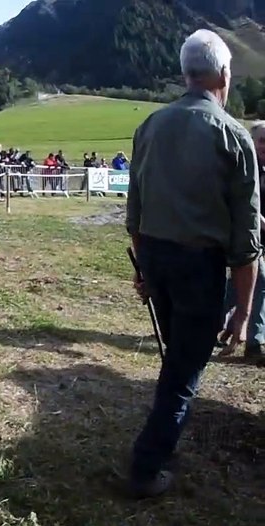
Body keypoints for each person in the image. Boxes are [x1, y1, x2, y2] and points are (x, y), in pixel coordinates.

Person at [125, 28, 262, 499]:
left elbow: (134, 214)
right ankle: (146, 465)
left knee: (176, 358)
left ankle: (165, 436)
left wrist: (143, 270)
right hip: (199, 267)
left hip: (157, 258)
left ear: (186, 75)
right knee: (185, 371)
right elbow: (247, 242)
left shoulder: (150, 125)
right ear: (225, 74)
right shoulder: (235, 136)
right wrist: (243, 313)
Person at [219, 120, 265, 362]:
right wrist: (258, 217)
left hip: (258, 239)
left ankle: (212, 323)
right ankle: (254, 344)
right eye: (261, 140)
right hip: (239, 235)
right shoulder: (244, 164)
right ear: (251, 141)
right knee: (260, 280)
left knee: (237, 287)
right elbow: (233, 196)